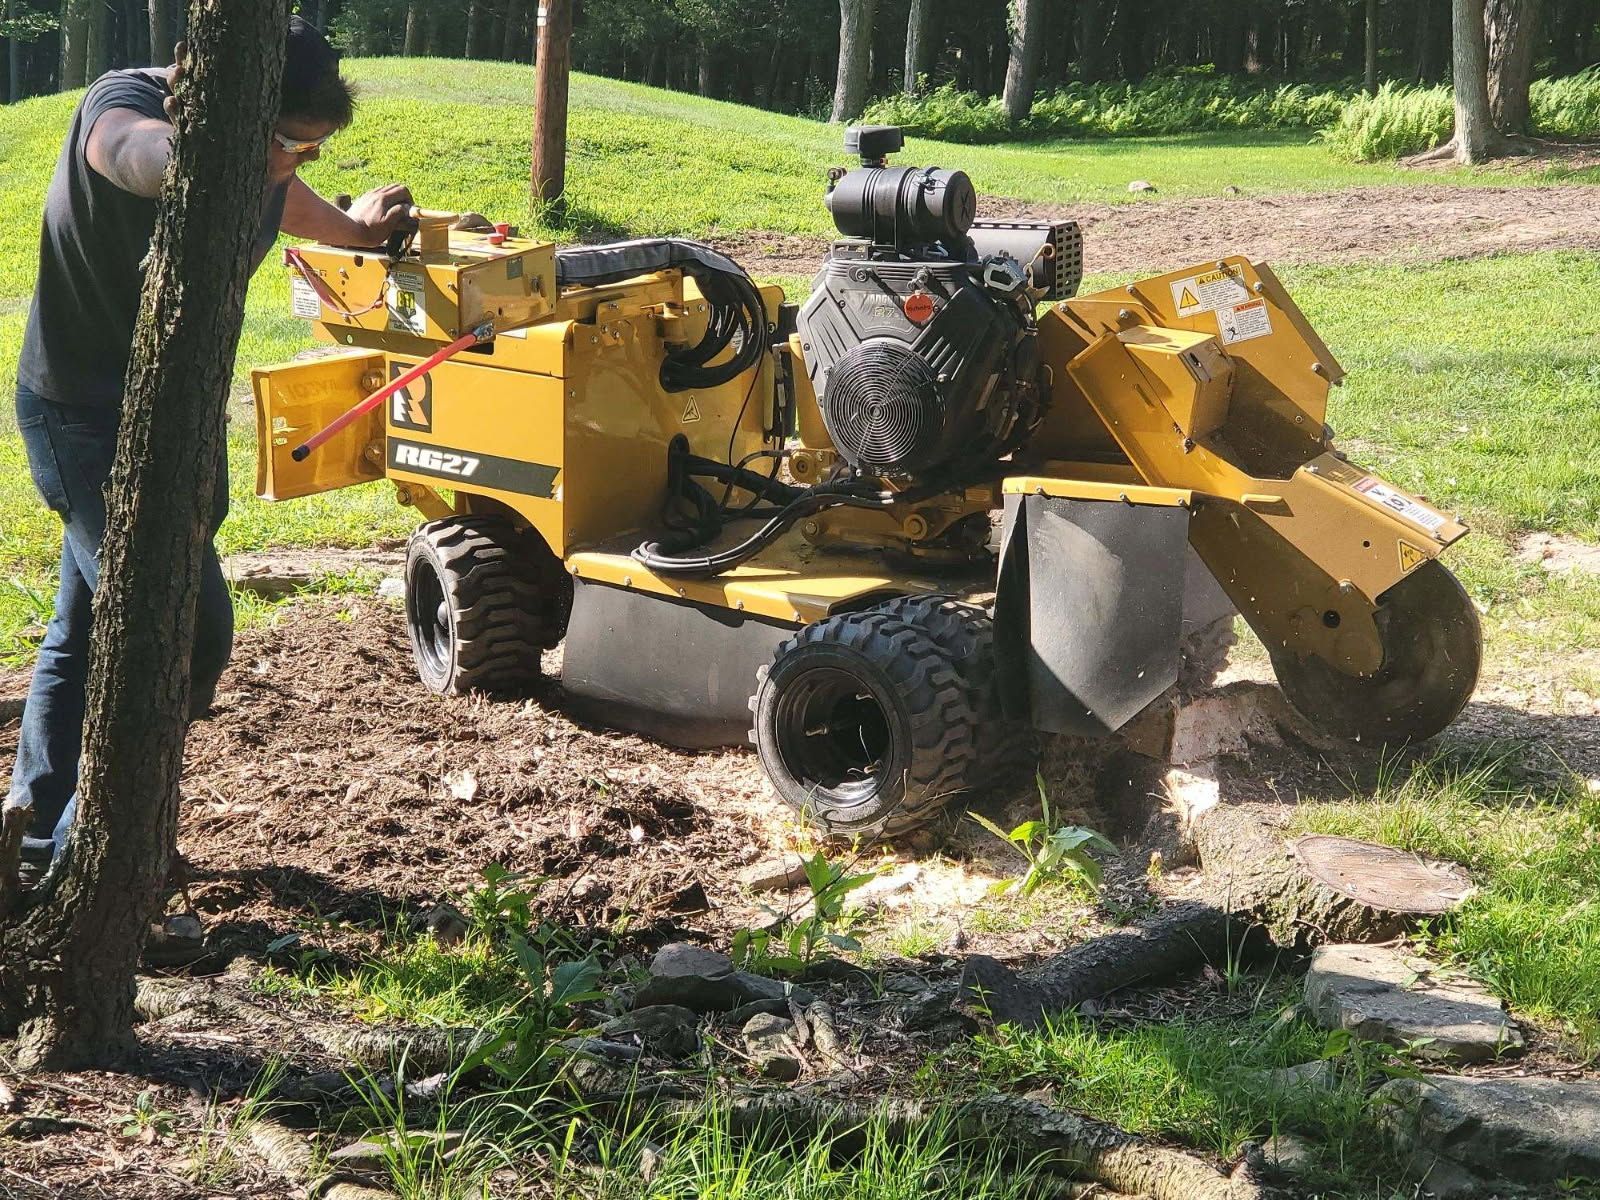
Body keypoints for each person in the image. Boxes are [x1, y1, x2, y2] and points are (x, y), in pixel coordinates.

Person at [7, 18, 415, 890]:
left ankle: (37, 840)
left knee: (82, 631)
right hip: (81, 417)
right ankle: (94, 869)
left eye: (305, 151)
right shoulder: (125, 107)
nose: (285, 167)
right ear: (216, 110)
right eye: (280, 144)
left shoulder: (262, 163)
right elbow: (128, 151)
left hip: (173, 418)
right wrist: (197, 152)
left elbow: (286, 202)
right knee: (180, 630)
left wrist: (359, 229)